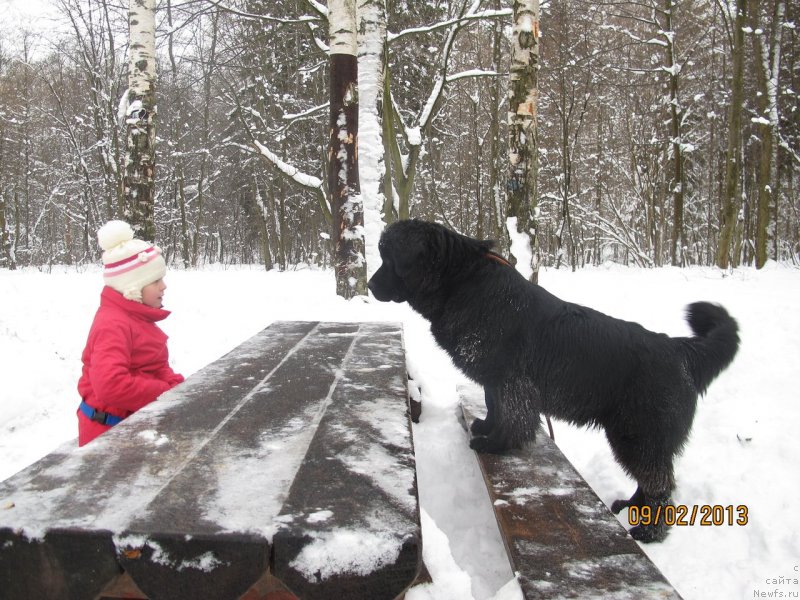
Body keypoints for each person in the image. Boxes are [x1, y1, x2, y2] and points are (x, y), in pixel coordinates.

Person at [77, 220, 184, 446]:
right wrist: (164, 392)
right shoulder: (113, 324)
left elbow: (153, 365)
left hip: (133, 427)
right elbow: (111, 384)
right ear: (132, 287)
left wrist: (177, 387)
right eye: (155, 281)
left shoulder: (136, 317)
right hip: (108, 435)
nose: (164, 286)